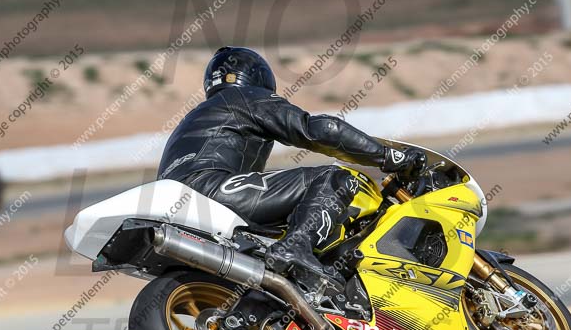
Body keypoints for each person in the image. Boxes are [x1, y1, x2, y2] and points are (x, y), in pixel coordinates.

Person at [157, 46, 425, 282]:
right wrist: (389, 156)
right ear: (258, 77)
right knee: (336, 179)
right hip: (211, 189)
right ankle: (296, 247)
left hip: (183, 207)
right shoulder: (245, 97)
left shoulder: (192, 119)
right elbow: (319, 130)